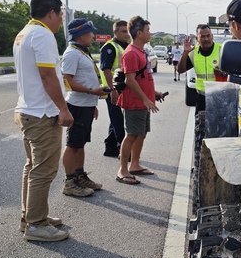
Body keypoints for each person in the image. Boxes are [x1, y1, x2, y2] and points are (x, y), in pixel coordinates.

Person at [13, 0, 73, 242]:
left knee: (32, 167)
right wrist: (63, 108)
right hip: (42, 113)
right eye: (60, 14)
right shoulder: (43, 35)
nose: (61, 20)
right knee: (44, 170)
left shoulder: (24, 33)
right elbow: (48, 76)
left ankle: (31, 217)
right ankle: (36, 226)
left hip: (28, 109)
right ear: (51, 13)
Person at [60, 18, 109, 197]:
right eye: (90, 32)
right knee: (72, 144)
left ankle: (80, 176)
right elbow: (68, 81)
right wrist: (91, 91)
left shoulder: (82, 51)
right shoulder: (72, 54)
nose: (93, 36)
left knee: (80, 144)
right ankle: (69, 182)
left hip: (86, 105)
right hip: (77, 105)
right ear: (80, 35)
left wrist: (93, 103)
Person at [116, 16, 164, 184]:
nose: (149, 33)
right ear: (139, 33)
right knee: (131, 135)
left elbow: (142, 78)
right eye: (147, 30)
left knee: (141, 134)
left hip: (143, 101)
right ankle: (122, 170)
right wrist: (145, 99)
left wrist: (154, 93)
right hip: (135, 102)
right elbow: (130, 80)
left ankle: (134, 165)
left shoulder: (141, 52)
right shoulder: (130, 53)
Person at [177, 24, 226, 111]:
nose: (206, 39)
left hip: (220, 96)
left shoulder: (222, 50)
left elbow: (234, 71)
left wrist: (223, 72)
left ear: (212, 36)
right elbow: (180, 70)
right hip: (201, 98)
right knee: (201, 124)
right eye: (202, 37)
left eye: (208, 36)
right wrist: (185, 52)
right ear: (197, 39)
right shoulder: (193, 53)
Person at [100, 20, 130, 157]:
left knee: (115, 118)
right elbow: (106, 70)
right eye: (123, 31)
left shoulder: (125, 46)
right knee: (118, 120)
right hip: (111, 89)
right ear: (115, 32)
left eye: (127, 31)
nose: (126, 34)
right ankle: (123, 150)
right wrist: (112, 90)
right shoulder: (109, 47)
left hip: (121, 88)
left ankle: (110, 147)